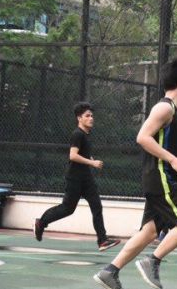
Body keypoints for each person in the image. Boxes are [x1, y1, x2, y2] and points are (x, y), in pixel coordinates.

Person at [92, 59, 177, 289]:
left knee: (149, 231)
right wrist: (172, 160)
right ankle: (153, 261)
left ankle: (109, 272)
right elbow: (142, 137)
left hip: (162, 179)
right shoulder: (164, 108)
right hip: (160, 177)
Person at [33, 102, 120, 252]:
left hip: (86, 178)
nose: (91, 118)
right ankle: (41, 222)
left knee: (97, 206)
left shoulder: (86, 135)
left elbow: (81, 153)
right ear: (79, 118)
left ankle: (102, 241)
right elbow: (73, 156)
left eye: (92, 116)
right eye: (87, 116)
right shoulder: (77, 134)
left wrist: (89, 158)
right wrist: (92, 163)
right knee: (67, 209)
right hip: (75, 178)